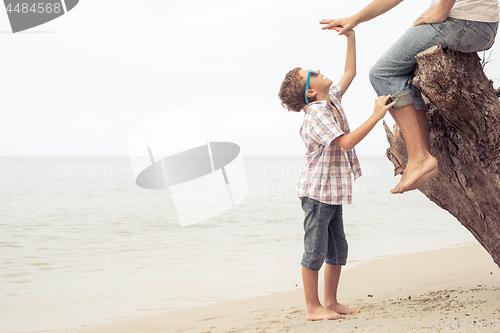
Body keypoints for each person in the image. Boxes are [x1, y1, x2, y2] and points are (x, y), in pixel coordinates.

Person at [320, 0, 499, 194]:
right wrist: (356, 18)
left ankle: (419, 158)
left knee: (383, 74)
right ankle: (423, 159)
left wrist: (441, 10)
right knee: (400, 75)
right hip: (478, 23)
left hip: (466, 21)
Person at [278, 29, 395, 320]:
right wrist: (377, 114)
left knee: (338, 248)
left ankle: (329, 301)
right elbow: (346, 141)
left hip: (331, 192)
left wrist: (351, 35)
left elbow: (350, 71)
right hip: (317, 194)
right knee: (315, 251)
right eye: (312, 73)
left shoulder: (330, 98)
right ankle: (311, 307)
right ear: (310, 92)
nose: (319, 70)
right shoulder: (316, 115)